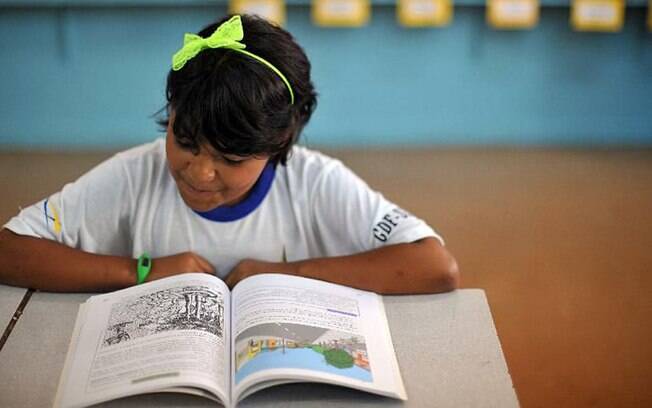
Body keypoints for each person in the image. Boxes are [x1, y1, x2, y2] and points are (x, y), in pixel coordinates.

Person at [0, 14, 458, 294]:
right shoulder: (134, 176)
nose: (199, 172)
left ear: (278, 144)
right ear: (172, 112)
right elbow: (8, 251)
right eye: (185, 141)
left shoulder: (314, 182)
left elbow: (435, 266)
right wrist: (139, 271)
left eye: (231, 159)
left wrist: (286, 273)